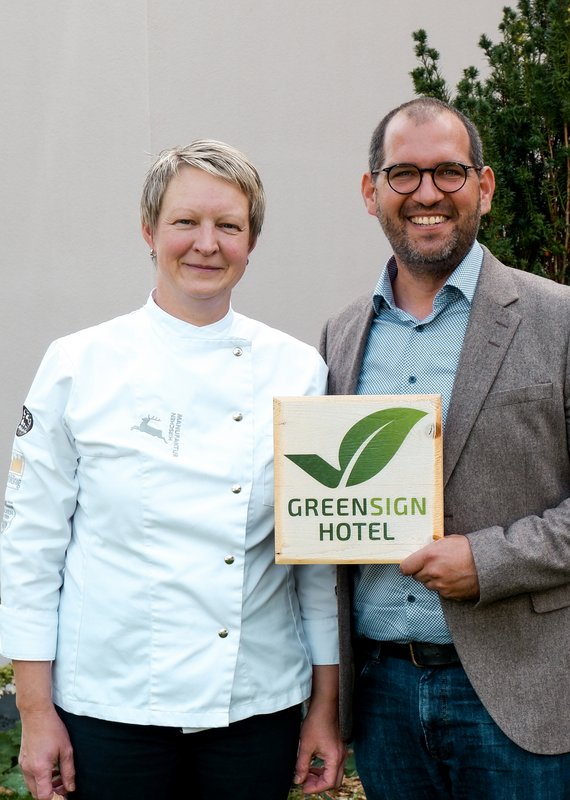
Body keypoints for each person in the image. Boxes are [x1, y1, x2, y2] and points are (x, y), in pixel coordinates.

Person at [0, 139, 345, 800]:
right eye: (186, 222)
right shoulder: (78, 364)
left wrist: (324, 706)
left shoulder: (298, 370)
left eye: (230, 226)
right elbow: (31, 550)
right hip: (109, 703)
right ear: (149, 231)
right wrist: (36, 713)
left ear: (252, 240)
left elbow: (315, 562)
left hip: (255, 703)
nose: (206, 244)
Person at [320, 97, 570, 799]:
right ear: (371, 191)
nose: (426, 193)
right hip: (384, 698)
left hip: (531, 696)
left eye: (448, 172)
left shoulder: (566, 319)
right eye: (403, 174)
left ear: (484, 187)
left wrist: (487, 559)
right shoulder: (341, 336)